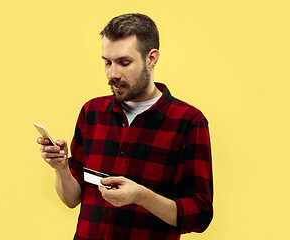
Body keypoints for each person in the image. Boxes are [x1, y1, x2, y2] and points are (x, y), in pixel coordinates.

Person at [37, 13, 213, 240]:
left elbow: (200, 215)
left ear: (152, 58)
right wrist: (61, 168)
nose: (113, 74)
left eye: (124, 63)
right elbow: (72, 199)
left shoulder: (189, 122)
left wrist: (141, 196)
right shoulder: (92, 112)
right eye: (107, 62)